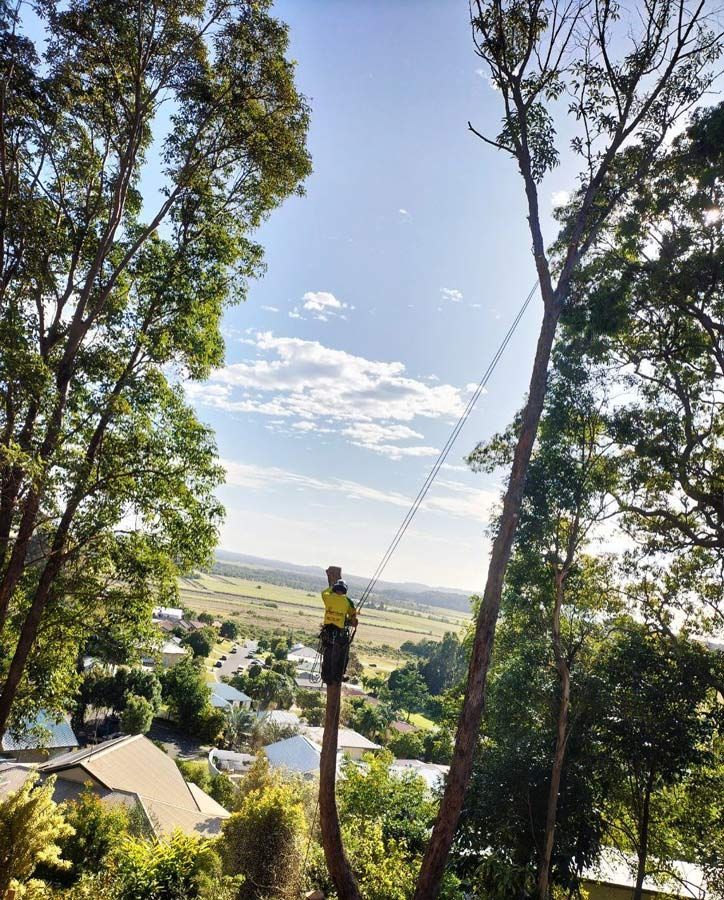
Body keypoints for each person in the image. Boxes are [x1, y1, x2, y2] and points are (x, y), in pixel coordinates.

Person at [320, 579, 358, 684]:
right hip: (339, 634)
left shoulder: (327, 597)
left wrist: (331, 586)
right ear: (345, 590)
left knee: (328, 654)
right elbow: (353, 616)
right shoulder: (348, 601)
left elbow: (324, 592)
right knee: (343, 654)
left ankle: (326, 676)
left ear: (335, 588)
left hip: (327, 632)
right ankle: (339, 675)